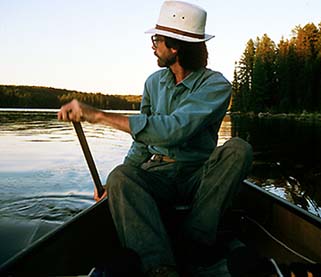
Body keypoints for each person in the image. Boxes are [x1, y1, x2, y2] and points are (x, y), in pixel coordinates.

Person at [58, 1, 253, 276]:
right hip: (158, 174)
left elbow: (175, 128)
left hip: (200, 176)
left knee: (238, 149)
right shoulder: (153, 82)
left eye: (157, 39)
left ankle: (195, 241)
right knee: (120, 176)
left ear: (175, 46)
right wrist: (115, 187)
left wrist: (98, 116)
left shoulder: (216, 85)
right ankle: (158, 267)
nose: (153, 46)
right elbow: (141, 143)